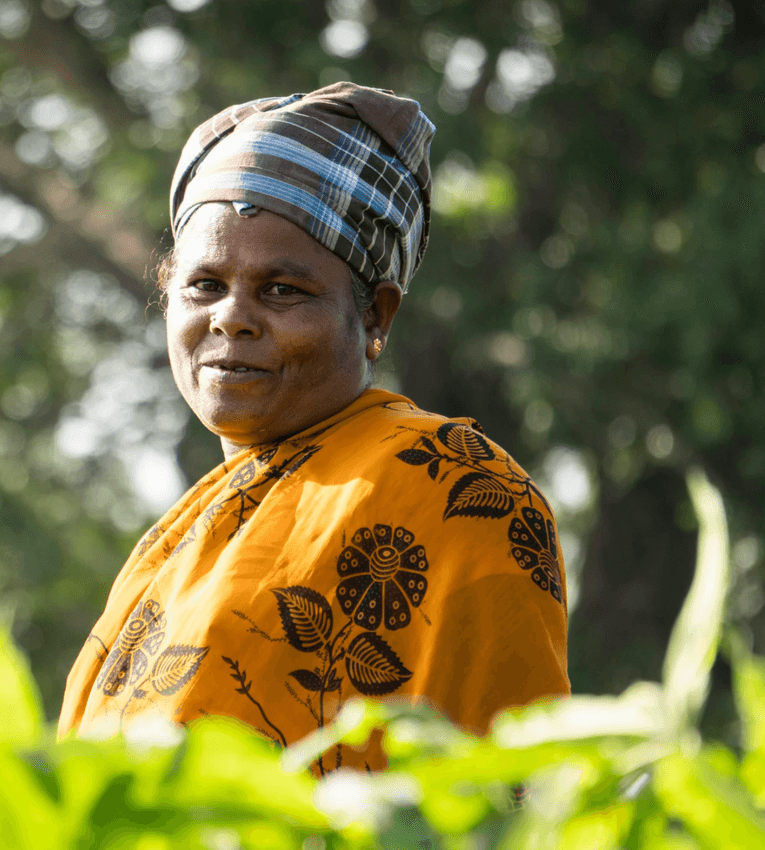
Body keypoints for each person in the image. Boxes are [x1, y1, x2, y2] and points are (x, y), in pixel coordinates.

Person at [57, 83, 570, 773]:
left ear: (377, 317)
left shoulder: (451, 487)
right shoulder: (177, 545)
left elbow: (507, 785)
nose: (230, 317)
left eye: (282, 291)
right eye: (204, 285)